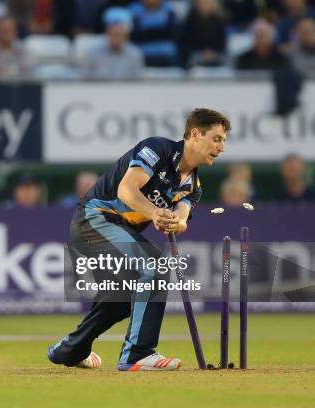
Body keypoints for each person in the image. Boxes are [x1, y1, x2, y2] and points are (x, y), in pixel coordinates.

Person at [47, 108, 230, 371]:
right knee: (156, 268)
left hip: (115, 229)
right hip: (95, 219)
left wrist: (175, 222)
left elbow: (182, 216)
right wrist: (155, 213)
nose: (221, 147)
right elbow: (126, 190)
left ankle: (69, 350)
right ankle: (138, 353)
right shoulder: (158, 150)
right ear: (195, 134)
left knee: (120, 299)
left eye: (223, 141)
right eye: (216, 139)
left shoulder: (193, 186)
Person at [90, 8, 145, 79]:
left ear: (127, 35)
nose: (117, 37)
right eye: (114, 33)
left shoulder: (135, 54)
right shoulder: (93, 53)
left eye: (120, 34)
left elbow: (137, 82)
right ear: (107, 32)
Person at [129, 0, 179, 67]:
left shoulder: (169, 10)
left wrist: (147, 31)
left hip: (167, 56)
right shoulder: (134, 11)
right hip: (142, 56)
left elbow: (172, 33)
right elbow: (135, 35)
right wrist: (159, 30)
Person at [179, 0, 227, 68]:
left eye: (207, 3)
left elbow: (222, 43)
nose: (205, 5)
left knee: (223, 60)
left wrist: (212, 53)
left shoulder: (218, 21)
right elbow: (186, 42)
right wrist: (202, 53)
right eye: (202, 3)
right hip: (195, 53)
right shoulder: (189, 20)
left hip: (214, 54)